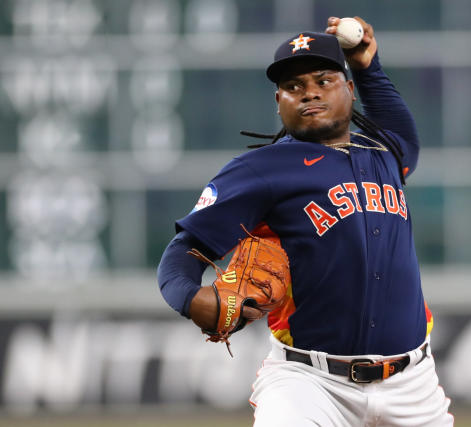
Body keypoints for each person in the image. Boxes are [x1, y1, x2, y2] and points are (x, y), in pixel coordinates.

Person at [157, 16, 454, 427]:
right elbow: (184, 250)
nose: (309, 93)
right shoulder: (261, 169)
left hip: (411, 383)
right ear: (279, 102)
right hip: (309, 382)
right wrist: (189, 298)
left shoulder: (384, 154)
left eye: (323, 80)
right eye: (293, 87)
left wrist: (369, 66)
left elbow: (405, 135)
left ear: (348, 90)